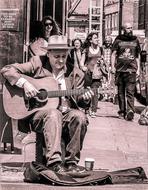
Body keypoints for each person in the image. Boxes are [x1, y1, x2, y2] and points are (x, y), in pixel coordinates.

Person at [1, 35, 94, 174]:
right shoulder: (37, 63)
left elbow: (79, 100)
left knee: (79, 117)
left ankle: (71, 163)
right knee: (53, 113)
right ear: (48, 54)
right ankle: (54, 163)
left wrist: (85, 99)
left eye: (64, 56)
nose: (61, 60)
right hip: (38, 115)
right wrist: (25, 84)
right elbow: (7, 70)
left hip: (65, 113)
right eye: (57, 56)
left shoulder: (75, 74)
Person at [111, 22, 141, 121]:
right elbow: (113, 54)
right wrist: (112, 67)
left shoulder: (135, 40)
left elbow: (137, 56)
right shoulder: (118, 40)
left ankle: (130, 111)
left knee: (130, 92)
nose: (130, 29)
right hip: (120, 70)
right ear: (124, 29)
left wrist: (138, 69)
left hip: (131, 70)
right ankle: (122, 111)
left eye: (131, 28)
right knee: (120, 93)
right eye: (128, 28)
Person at [80, 32, 107, 118]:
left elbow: (104, 60)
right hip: (88, 73)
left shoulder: (101, 49)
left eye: (97, 38)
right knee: (87, 91)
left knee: (95, 92)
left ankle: (93, 110)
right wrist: (83, 67)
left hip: (97, 74)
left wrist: (102, 63)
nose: (97, 39)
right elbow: (81, 61)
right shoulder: (86, 50)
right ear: (90, 40)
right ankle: (87, 108)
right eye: (95, 38)